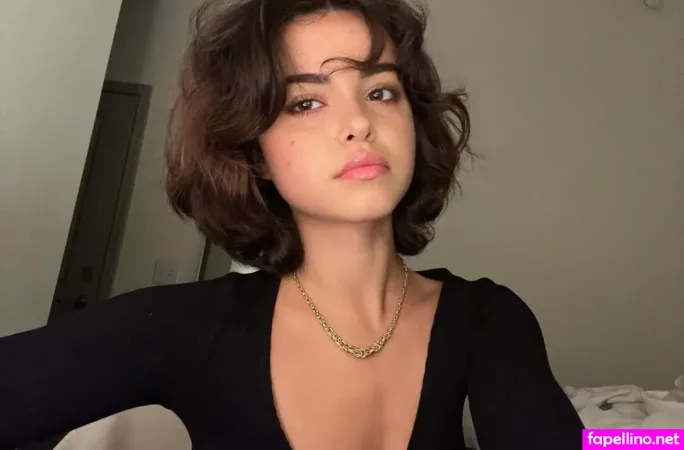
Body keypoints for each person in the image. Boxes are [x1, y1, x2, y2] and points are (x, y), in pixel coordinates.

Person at [0, 0, 584, 448]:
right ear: (253, 149)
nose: (359, 122)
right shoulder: (187, 326)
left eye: (381, 91)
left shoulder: (488, 319)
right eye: (305, 102)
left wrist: (640, 435)